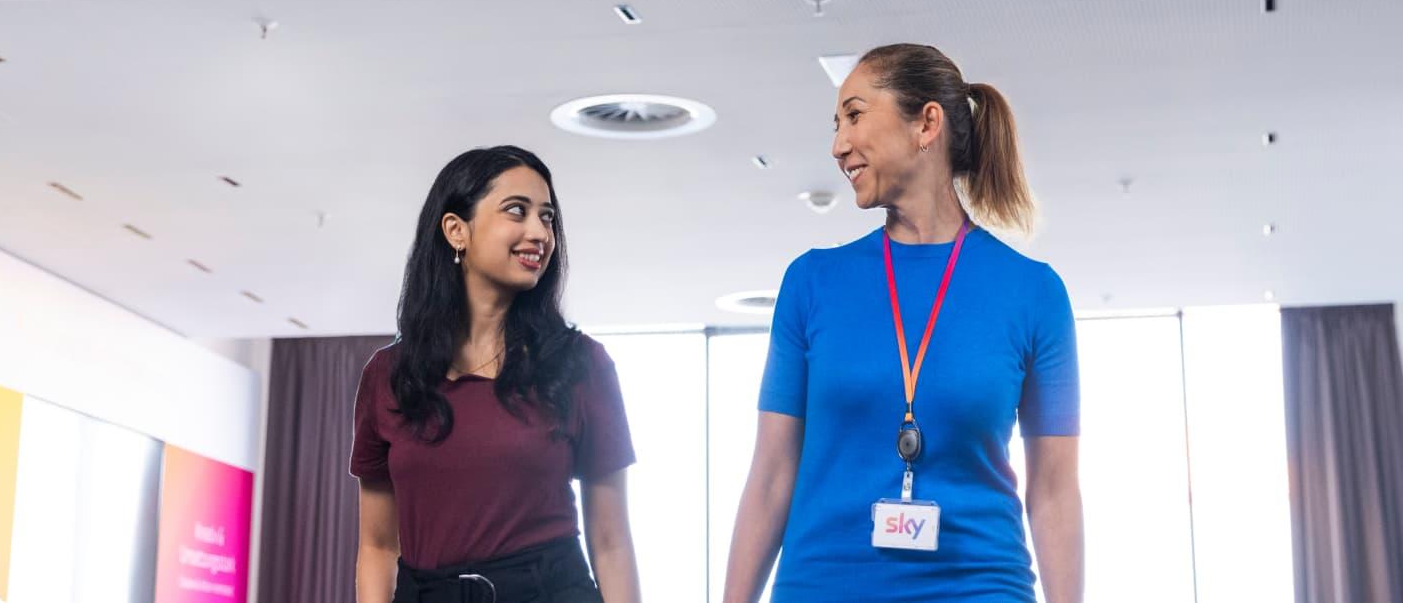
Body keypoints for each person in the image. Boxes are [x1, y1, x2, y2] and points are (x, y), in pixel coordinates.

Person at [723, 44, 1084, 603]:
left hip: (979, 587)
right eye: (836, 124)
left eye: (855, 115)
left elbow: (1055, 491)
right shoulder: (812, 283)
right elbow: (771, 474)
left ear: (927, 123)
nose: (838, 145)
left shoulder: (1033, 293)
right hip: (822, 587)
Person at [352, 146, 641, 603]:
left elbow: (611, 542)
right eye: (517, 211)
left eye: (547, 218)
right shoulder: (388, 375)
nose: (539, 233)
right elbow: (377, 545)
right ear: (456, 230)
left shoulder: (582, 364)